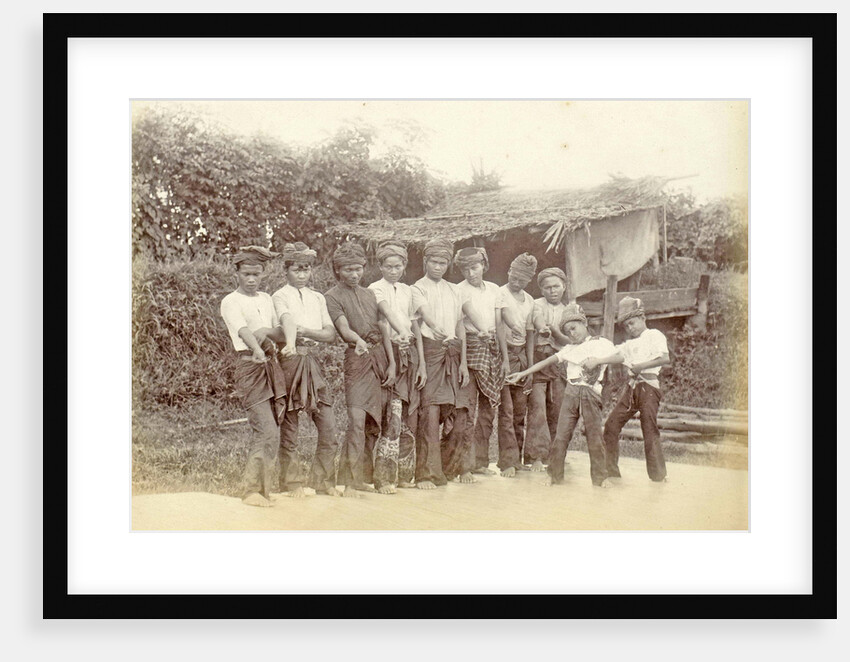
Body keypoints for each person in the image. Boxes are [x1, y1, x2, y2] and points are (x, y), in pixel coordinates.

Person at [507, 303, 620, 487]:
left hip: (590, 393)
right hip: (571, 392)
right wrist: (523, 373)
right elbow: (546, 362)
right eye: (568, 332)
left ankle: (601, 477)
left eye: (574, 328)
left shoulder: (601, 343)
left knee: (594, 436)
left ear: (584, 323)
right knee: (561, 435)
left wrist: (599, 360)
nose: (572, 334)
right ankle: (554, 474)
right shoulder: (568, 349)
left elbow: (620, 357)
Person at [325, 242, 397, 497]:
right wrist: (357, 340)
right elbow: (343, 328)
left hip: (380, 358)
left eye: (357, 269)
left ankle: (364, 477)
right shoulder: (332, 296)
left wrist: (393, 363)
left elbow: (383, 328)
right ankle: (348, 481)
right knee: (356, 420)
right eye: (347, 270)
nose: (354, 274)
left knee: (374, 422)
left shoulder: (370, 294)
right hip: (356, 359)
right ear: (337, 270)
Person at [219, 245, 289, 507]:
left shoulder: (266, 299)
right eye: (246, 273)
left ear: (263, 274)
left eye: (256, 274)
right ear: (236, 273)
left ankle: (263, 491)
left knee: (274, 429)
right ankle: (251, 492)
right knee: (266, 430)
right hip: (249, 367)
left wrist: (268, 334)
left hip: (272, 367)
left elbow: (279, 332)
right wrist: (258, 347)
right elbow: (242, 330)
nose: (251, 279)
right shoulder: (230, 301)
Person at [272, 242, 342, 498]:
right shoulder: (280, 296)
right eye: (296, 270)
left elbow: (329, 333)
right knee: (290, 425)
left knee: (328, 424)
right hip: (290, 360)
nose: (302, 275)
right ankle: (291, 484)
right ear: (286, 270)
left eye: (306, 270)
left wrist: (308, 331)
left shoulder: (318, 297)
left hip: (313, 362)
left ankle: (323, 482)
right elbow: (286, 320)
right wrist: (293, 339)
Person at [410, 238, 477, 488]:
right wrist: (434, 330)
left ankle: (447, 469)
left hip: (453, 353)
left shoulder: (455, 289)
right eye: (434, 262)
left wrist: (463, 362)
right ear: (425, 261)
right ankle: (425, 474)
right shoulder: (417, 288)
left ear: (448, 264)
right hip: (430, 352)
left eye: (443, 262)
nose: (438, 267)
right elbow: (422, 319)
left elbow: (460, 325)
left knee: (460, 416)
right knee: (429, 414)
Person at [368, 240, 427, 488]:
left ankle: (404, 475)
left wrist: (421, 362)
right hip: (387, 352)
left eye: (398, 266)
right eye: (388, 266)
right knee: (391, 415)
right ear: (380, 266)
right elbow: (385, 316)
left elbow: (416, 326)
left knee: (409, 415)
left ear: (404, 265)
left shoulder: (407, 290)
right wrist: (401, 335)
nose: (394, 271)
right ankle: (384, 478)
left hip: (409, 352)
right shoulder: (374, 288)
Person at [595, 296, 671, 482]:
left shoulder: (654, 335)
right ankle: (611, 471)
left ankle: (658, 476)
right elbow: (615, 354)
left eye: (632, 323)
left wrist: (641, 367)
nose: (630, 328)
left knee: (649, 429)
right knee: (611, 425)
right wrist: (598, 355)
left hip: (649, 388)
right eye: (626, 326)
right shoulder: (628, 344)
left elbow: (664, 358)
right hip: (632, 389)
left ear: (642, 318)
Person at [454, 247, 509, 477]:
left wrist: (505, 358)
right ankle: (463, 466)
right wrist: (463, 363)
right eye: (465, 269)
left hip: (492, 350)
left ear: (484, 266)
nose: (470, 273)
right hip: (471, 348)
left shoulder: (495, 290)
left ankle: (480, 463)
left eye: (474, 267)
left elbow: (499, 326)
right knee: (467, 410)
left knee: (488, 412)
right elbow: (460, 328)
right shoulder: (458, 290)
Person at [523, 267, 572, 471]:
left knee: (559, 409)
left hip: (560, 363)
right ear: (541, 289)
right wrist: (543, 328)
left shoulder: (570, 310)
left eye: (556, 286)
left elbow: (571, 340)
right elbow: (537, 321)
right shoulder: (535, 305)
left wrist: (553, 330)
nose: (552, 291)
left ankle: (555, 454)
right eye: (547, 287)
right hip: (538, 362)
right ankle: (536, 456)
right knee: (538, 409)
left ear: (564, 287)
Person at [496, 252, 538, 477]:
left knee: (520, 411)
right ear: (509, 270)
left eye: (522, 279)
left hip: (522, 358)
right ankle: (508, 461)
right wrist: (504, 360)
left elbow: (530, 334)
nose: (516, 281)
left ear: (528, 280)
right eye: (514, 274)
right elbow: (502, 327)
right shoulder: (500, 294)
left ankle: (518, 459)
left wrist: (530, 368)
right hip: (505, 355)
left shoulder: (530, 300)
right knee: (507, 411)